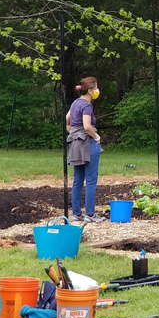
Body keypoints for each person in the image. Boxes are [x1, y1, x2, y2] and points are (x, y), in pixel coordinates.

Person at [65, 77, 104, 223]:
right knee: (91, 180)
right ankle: (90, 214)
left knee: (77, 180)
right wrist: (96, 137)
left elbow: (67, 120)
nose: (97, 91)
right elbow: (87, 126)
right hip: (88, 144)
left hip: (76, 144)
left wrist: (73, 132)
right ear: (90, 90)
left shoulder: (75, 103)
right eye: (96, 88)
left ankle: (76, 214)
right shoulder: (87, 106)